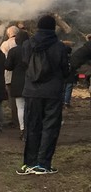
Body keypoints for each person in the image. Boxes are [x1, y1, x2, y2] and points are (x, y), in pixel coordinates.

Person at [17, 15, 69, 175]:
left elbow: (25, 63)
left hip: (32, 90)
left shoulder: (27, 44)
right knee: (50, 127)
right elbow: (65, 70)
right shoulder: (60, 46)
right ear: (53, 28)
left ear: (38, 27)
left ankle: (29, 163)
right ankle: (43, 164)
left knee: (32, 126)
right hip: (53, 91)